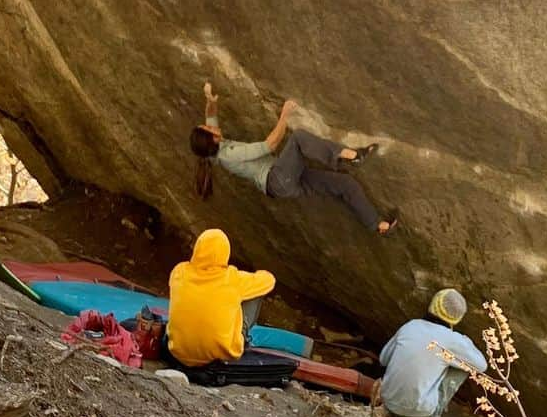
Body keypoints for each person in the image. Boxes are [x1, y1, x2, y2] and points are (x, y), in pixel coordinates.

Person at [189, 82, 397, 237]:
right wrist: (284, 115)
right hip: (278, 179)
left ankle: (378, 226)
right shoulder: (229, 154)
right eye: (209, 129)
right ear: (212, 140)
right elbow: (270, 144)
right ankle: (351, 155)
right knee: (298, 138)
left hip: (284, 181)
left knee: (345, 184)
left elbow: (210, 116)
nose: (211, 125)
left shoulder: (215, 149)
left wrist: (210, 100)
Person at [166, 227, 276, 367]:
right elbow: (269, 281)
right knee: (254, 292)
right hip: (221, 356)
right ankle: (242, 340)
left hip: (178, 352)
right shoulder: (232, 279)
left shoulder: (179, 272)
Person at [379, 289, 487, 417]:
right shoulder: (453, 340)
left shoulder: (411, 325)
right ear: (457, 318)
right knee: (465, 367)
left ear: (432, 305)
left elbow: (383, 359)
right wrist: (465, 341)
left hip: (388, 402)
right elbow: (481, 366)